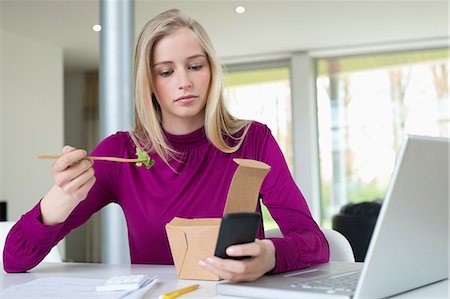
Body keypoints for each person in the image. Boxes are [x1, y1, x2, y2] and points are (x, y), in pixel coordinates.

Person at [3, 9, 329, 281]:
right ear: (149, 82)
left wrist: (270, 255)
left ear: (212, 71)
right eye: (166, 72)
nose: (183, 82)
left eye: (195, 66)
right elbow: (14, 258)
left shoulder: (253, 140)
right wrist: (60, 198)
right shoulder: (121, 153)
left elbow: (314, 241)